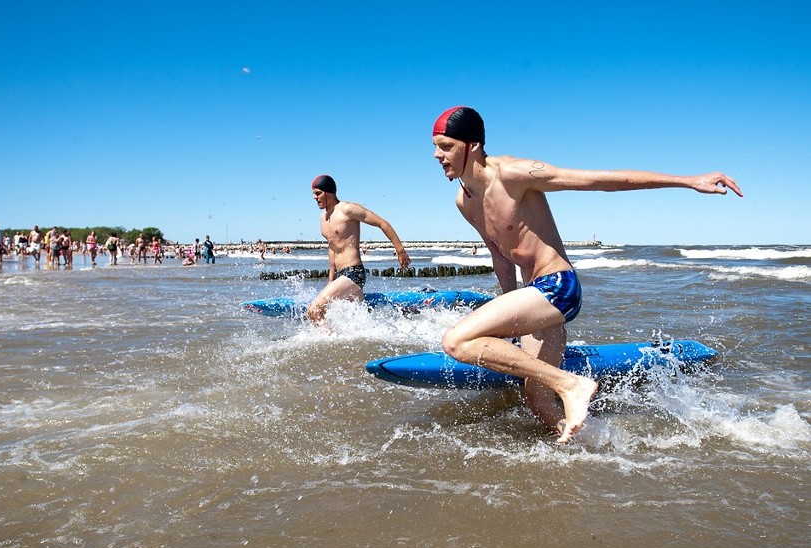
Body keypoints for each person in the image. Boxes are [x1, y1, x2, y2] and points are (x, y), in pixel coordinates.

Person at [431, 106, 743, 444]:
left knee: (456, 341)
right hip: (534, 299)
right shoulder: (465, 201)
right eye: (435, 147)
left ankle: (572, 384)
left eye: (446, 146)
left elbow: (600, 180)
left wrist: (687, 181)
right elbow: (500, 257)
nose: (437, 155)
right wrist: (510, 326)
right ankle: (598, 446)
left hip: (558, 288)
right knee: (537, 400)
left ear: (472, 145)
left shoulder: (513, 174)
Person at [306, 174, 411, 323]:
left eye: (318, 193)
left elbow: (382, 223)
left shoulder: (347, 209)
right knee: (359, 324)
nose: (315, 198)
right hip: (340, 275)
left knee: (314, 310)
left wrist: (400, 251)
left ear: (328, 192)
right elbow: (332, 248)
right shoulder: (323, 219)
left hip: (353, 273)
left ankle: (329, 342)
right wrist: (331, 280)